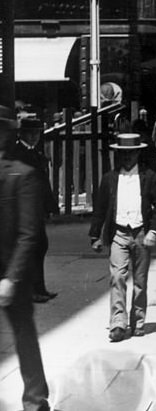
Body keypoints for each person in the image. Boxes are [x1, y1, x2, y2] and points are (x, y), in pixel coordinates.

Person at [89, 133, 156, 342]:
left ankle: (138, 321)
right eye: (123, 153)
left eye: (131, 153)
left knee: (140, 281)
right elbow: (100, 208)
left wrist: (153, 231)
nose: (127, 157)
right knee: (117, 277)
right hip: (119, 233)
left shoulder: (149, 176)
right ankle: (118, 324)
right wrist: (95, 234)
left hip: (142, 232)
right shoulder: (109, 179)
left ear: (138, 153)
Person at [0, 105, 52, 411]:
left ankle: (35, 400)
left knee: (24, 337)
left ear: (5, 133)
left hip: (10, 274)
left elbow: (29, 234)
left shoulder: (24, 175)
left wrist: (11, 279)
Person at [8, 117, 59, 303]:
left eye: (37, 133)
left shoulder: (35, 153)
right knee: (32, 247)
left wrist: (50, 206)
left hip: (36, 208)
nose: (34, 136)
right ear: (21, 134)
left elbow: (44, 183)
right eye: (30, 133)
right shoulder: (17, 153)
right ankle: (31, 289)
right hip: (24, 208)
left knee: (39, 247)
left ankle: (38, 288)